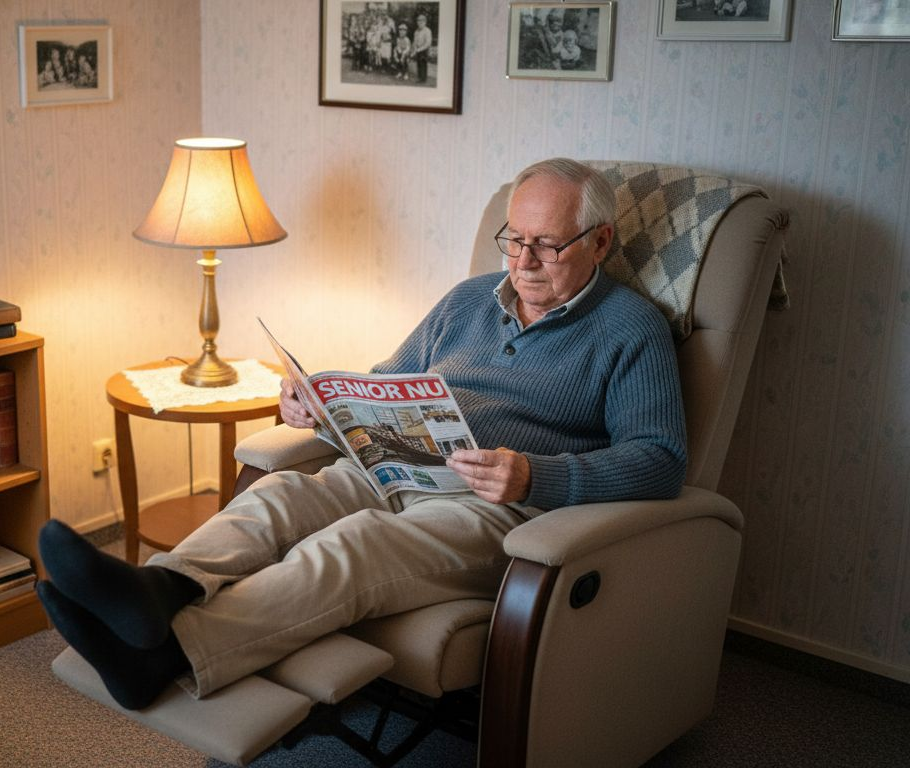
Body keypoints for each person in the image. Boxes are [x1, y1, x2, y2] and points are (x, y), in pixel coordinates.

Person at [36, 158, 688, 710]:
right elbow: (386, 383)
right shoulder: (468, 299)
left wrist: (534, 475)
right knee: (280, 497)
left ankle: (166, 655)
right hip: (399, 466)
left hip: (497, 508)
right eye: (513, 240)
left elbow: (660, 460)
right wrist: (322, 406)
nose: (524, 261)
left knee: (354, 545)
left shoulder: (631, 329)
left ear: (600, 242)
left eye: (547, 245)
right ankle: (159, 590)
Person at [413, 13, 433, 83]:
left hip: (424, 50)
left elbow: (428, 43)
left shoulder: (427, 31)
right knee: (418, 63)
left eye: (421, 21)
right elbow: (415, 41)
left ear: (425, 22)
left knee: (423, 63)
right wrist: (415, 48)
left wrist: (419, 50)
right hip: (418, 49)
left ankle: (423, 78)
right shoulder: (416, 31)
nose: (419, 22)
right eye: (418, 21)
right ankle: (420, 77)